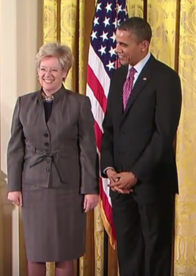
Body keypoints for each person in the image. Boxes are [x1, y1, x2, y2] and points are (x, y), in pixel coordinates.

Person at [7, 42, 99, 276]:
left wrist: (90, 189)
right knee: (36, 252)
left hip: (68, 189)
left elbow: (87, 149)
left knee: (64, 252)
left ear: (65, 72)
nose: (47, 75)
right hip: (33, 187)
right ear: (37, 71)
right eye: (43, 69)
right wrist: (14, 187)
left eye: (54, 70)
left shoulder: (79, 103)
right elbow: (15, 149)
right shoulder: (23, 103)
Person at [101, 17, 182, 276]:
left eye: (124, 44)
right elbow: (111, 128)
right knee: (129, 253)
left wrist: (134, 174)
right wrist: (109, 168)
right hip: (121, 189)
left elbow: (163, 134)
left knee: (155, 255)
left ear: (144, 45)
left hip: (152, 185)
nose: (117, 49)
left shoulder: (165, 78)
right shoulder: (118, 77)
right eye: (117, 43)